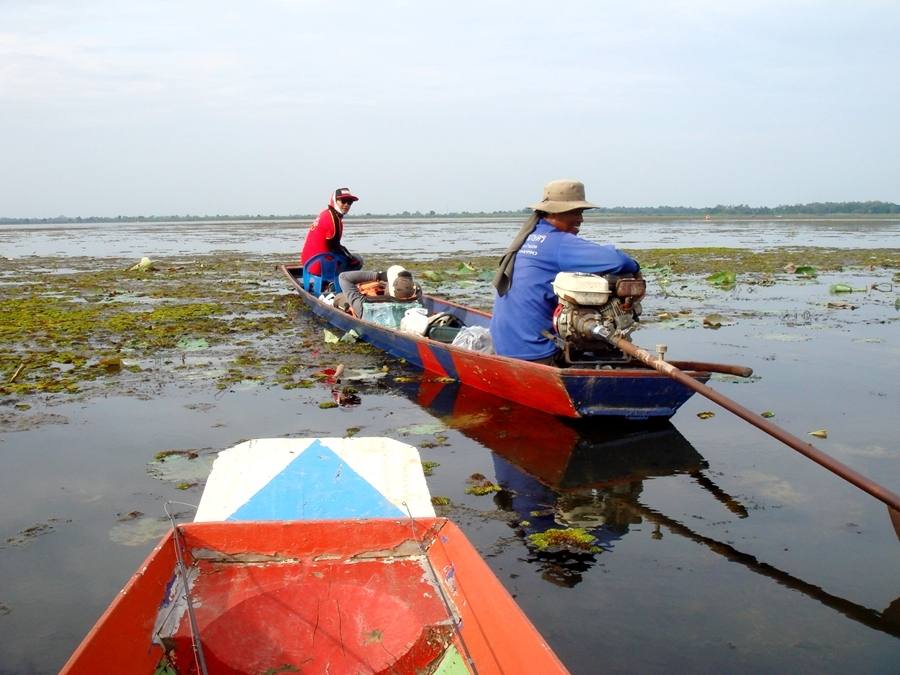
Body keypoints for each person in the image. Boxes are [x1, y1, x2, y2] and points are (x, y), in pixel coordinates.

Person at [490, 179, 640, 364]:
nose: (581, 219)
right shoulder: (557, 243)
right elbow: (618, 260)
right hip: (537, 353)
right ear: (555, 212)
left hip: (506, 347)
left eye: (581, 212)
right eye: (575, 212)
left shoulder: (529, 237)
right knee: (604, 348)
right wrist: (636, 267)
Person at [300, 187, 364, 275]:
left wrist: (348, 254)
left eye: (349, 202)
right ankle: (333, 283)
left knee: (350, 257)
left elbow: (333, 244)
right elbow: (333, 246)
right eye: (343, 201)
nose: (346, 205)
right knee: (358, 261)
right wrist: (350, 258)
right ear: (334, 201)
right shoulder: (333, 219)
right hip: (319, 266)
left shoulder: (326, 213)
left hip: (307, 262)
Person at [336, 265, 418, 318]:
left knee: (339, 298)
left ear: (389, 289)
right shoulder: (413, 299)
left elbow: (343, 277)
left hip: (366, 314)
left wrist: (378, 275)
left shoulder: (363, 306)